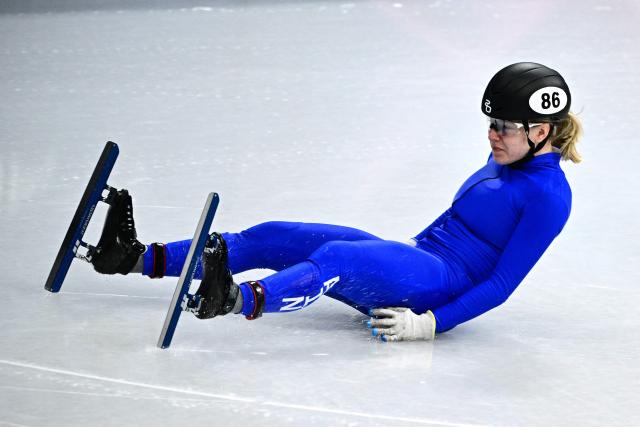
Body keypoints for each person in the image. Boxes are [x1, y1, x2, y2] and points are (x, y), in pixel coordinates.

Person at [90, 62, 583, 342]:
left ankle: (236, 300)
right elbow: (461, 217)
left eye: (505, 127)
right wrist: (402, 253)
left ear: (541, 131)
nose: (493, 135)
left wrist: (431, 323)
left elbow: (501, 284)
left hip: (435, 287)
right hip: (416, 257)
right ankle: (134, 257)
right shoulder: (511, 155)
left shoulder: (549, 197)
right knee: (274, 235)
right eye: (490, 123)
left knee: (337, 259)